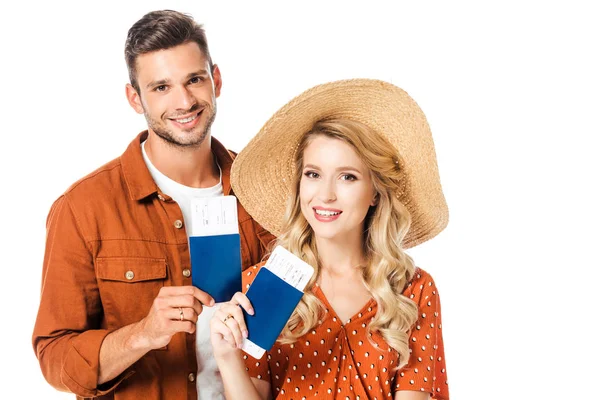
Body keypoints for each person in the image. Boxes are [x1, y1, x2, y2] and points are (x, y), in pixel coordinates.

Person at [32, 10, 274, 400]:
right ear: (134, 98)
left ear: (216, 80)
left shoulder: (264, 192)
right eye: (161, 87)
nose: (183, 101)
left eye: (194, 79)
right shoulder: (82, 208)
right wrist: (144, 334)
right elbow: (55, 358)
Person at [209, 79, 451, 399]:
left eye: (347, 177)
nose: (325, 195)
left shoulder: (413, 290)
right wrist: (227, 357)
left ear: (375, 192)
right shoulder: (260, 285)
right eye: (313, 174)